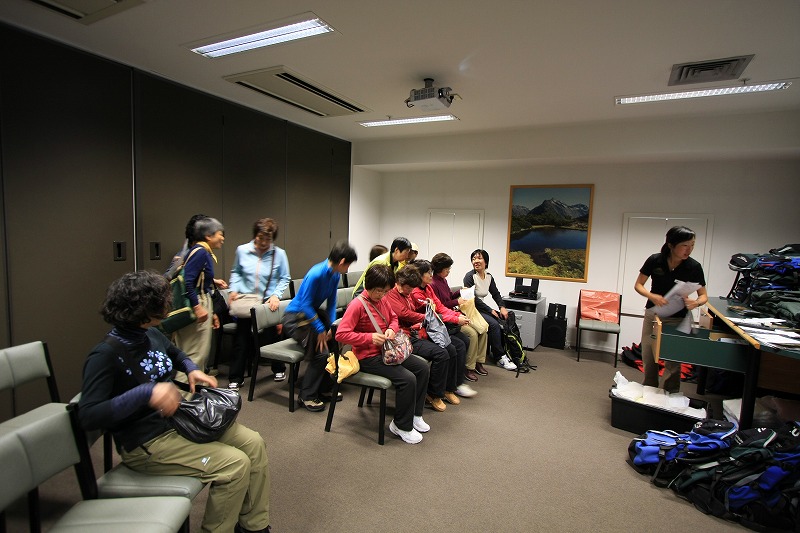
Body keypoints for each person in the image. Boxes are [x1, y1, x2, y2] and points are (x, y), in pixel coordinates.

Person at [78, 270, 270, 533]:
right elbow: (87, 415)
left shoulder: (150, 333)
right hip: (146, 441)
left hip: (179, 420)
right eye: (163, 303)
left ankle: (254, 526)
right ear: (144, 311)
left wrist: (191, 368)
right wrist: (146, 393)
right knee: (235, 465)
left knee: (254, 444)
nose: (169, 305)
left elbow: (176, 353)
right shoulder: (104, 355)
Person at [335, 264, 431, 444]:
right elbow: (341, 334)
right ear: (368, 286)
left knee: (422, 368)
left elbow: (394, 318)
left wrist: (392, 330)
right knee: (408, 379)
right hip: (368, 357)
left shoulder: (383, 299)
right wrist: (369, 338)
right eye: (379, 291)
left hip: (387, 351)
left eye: (385, 291)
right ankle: (401, 425)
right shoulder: (357, 305)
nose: (382, 295)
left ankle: (415, 415)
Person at [284, 240, 357, 412]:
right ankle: (306, 395)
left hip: (312, 315)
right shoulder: (316, 274)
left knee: (333, 345)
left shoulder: (335, 275)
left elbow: (331, 303)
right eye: (348, 265)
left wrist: (331, 327)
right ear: (342, 262)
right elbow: (305, 305)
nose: (347, 269)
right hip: (295, 318)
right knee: (321, 353)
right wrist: (319, 329)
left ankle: (323, 388)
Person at [634, 225, 707, 393]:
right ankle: (649, 390)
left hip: (678, 318)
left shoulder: (694, 267)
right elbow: (638, 285)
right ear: (671, 245)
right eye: (684, 245)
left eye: (692, 245)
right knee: (648, 354)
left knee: (673, 359)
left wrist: (696, 303)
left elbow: (703, 296)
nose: (689, 249)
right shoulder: (655, 260)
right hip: (653, 314)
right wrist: (652, 296)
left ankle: (668, 394)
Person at [384, 264, 459, 411]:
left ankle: (447, 389)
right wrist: (425, 317)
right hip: (403, 338)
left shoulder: (409, 293)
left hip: (413, 332)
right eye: (405, 287)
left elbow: (413, 310)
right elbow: (404, 313)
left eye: (410, 288)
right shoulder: (392, 294)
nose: (406, 290)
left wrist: (426, 308)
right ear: (398, 282)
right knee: (441, 354)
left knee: (450, 348)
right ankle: (433, 394)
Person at [227, 218, 291, 389]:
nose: (263, 242)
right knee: (241, 339)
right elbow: (236, 272)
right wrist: (233, 289)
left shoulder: (279, 254)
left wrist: (276, 295)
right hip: (246, 301)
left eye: (268, 239)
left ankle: (278, 368)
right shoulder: (242, 250)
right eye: (260, 238)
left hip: (268, 302)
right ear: (255, 235)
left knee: (272, 338)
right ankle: (236, 377)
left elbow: (285, 277)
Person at [410, 259, 477, 399]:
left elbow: (440, 307)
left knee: (460, 342)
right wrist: (456, 318)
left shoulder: (428, 288)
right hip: (424, 331)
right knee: (453, 347)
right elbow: (432, 315)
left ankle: (450, 387)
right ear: (419, 275)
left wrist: (457, 315)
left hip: (433, 327)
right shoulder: (416, 292)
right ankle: (441, 390)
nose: (431, 274)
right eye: (428, 272)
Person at [173, 216, 226, 388]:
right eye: (220, 234)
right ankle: (183, 397)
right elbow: (188, 282)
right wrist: (198, 307)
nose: (222, 238)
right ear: (208, 236)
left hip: (202, 300)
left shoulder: (199, 250)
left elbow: (196, 278)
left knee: (196, 354)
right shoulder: (201, 252)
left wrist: (212, 282)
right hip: (197, 302)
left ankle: (191, 394)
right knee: (194, 354)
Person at [430, 252, 490, 382]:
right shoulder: (433, 284)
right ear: (440, 268)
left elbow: (449, 296)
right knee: (473, 334)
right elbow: (441, 306)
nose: (449, 271)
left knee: (483, 331)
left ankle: (479, 361)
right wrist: (457, 301)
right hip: (448, 319)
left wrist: (460, 291)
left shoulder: (443, 280)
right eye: (447, 269)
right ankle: (469, 367)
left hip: (454, 313)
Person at [462, 249, 518, 371]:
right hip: (471, 309)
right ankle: (500, 357)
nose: (476, 261)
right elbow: (473, 298)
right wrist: (490, 310)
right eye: (473, 259)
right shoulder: (469, 276)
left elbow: (496, 294)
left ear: (486, 262)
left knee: (501, 319)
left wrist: (502, 307)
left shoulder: (489, 277)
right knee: (493, 324)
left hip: (480, 308)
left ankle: (503, 351)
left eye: (479, 258)